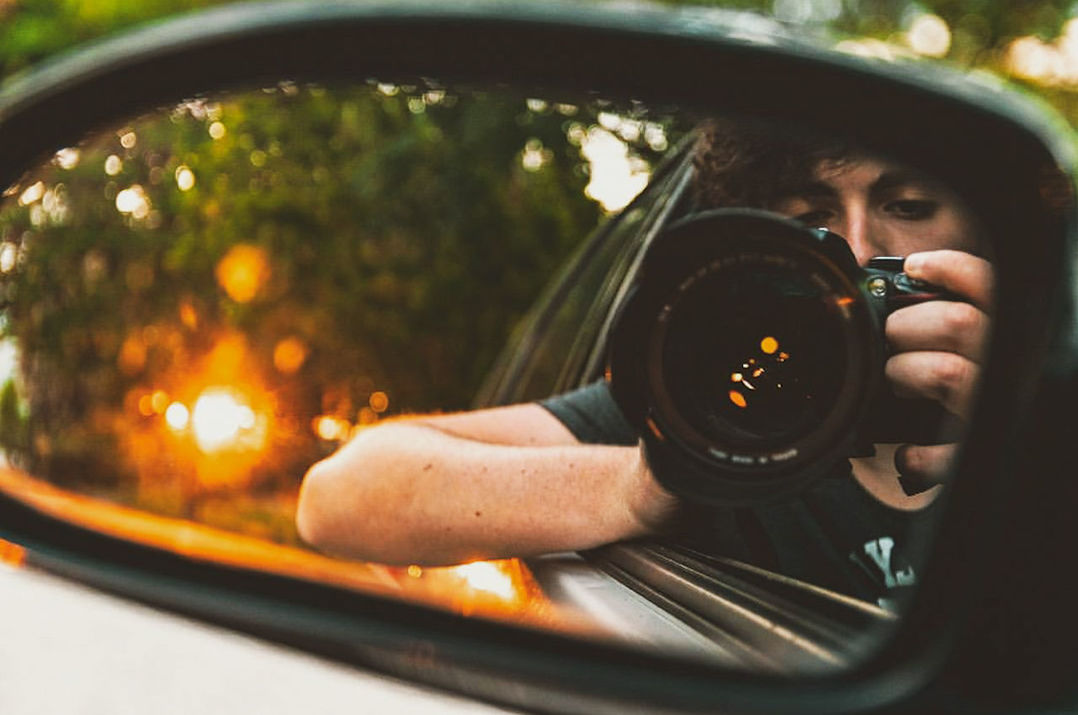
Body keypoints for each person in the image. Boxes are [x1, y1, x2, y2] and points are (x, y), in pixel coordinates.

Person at [295, 119, 994, 605]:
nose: (863, 248)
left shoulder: (1047, 408)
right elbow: (340, 496)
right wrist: (642, 485)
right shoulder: (715, 412)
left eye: (907, 204)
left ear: (989, 232)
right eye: (812, 217)